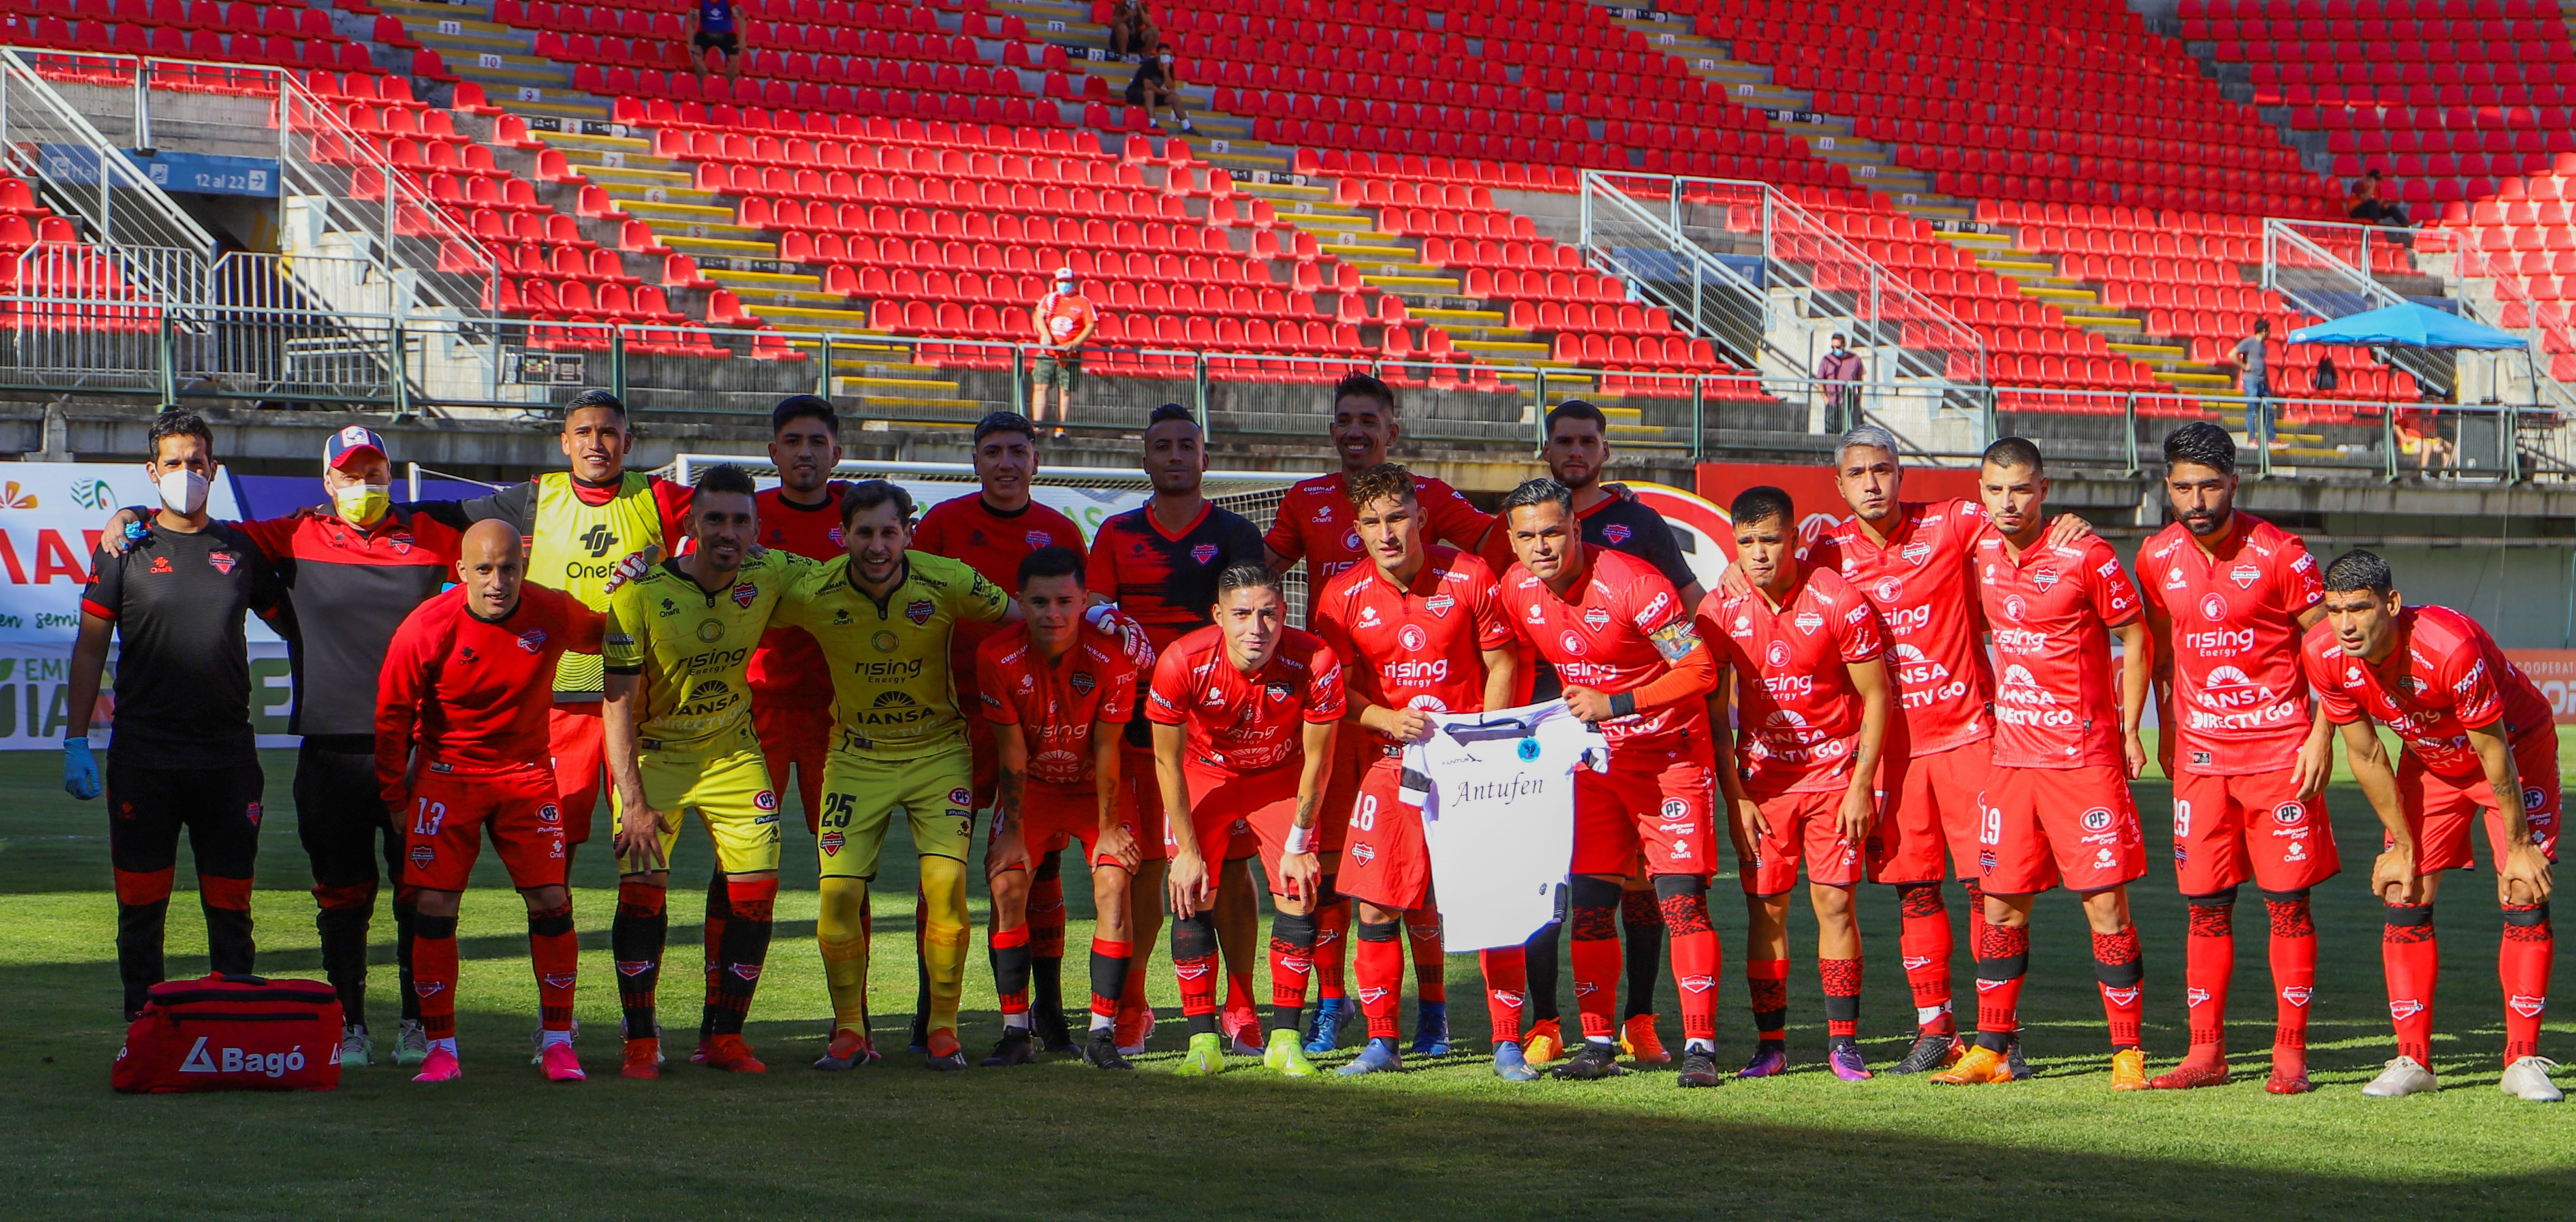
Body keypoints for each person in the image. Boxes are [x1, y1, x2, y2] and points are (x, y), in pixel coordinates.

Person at [92, 424, 474, 1068]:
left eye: (374, 472)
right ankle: (350, 1023)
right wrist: (130, 512)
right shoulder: (288, 533)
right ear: (327, 482)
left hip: (416, 747)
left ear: (391, 474)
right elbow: (197, 534)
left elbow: (508, 539)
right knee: (341, 895)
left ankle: (420, 1022)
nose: (363, 484)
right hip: (329, 748)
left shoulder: (434, 529)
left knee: (422, 892)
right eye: (350, 474)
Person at [1790, 425, 2087, 1078]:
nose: (1872, 483)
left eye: (1883, 469)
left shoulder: (1951, 522)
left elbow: (2018, 519)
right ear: (1838, 484)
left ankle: (2000, 1033)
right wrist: (1734, 568)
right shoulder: (1824, 550)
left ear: (1901, 473)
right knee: (1915, 892)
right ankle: (1936, 1029)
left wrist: (2065, 523)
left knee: (1991, 889)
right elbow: (1771, 579)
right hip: (1890, 752)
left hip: (1970, 738)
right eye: (1858, 473)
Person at [1264, 373, 1495, 1056]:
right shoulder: (1305, 499)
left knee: (1419, 877)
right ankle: (1334, 1003)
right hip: (1346, 715)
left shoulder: (1429, 497)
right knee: (1341, 868)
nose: (1355, 430)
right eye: (1345, 419)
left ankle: (1433, 1012)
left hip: (1425, 719)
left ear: (1393, 430)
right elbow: (1263, 575)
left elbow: (1501, 544)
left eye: (1369, 419)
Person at [1480, 398, 1703, 1069]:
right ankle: (1596, 1040)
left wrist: (1618, 701)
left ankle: (1696, 1045)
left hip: (1665, 756)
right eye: (1528, 537)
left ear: (1576, 526)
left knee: (1679, 902)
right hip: (1590, 760)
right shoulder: (1518, 587)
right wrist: (1507, 734)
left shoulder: (1637, 578)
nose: (1542, 546)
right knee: (1587, 903)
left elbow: (1698, 665)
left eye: (1553, 532)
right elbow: (1514, 659)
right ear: (1512, 540)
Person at [1934, 437, 2155, 1089]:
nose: (2009, 501)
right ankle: (1992, 1050)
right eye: (1996, 489)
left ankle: (2127, 1051)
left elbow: (2136, 633)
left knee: (2106, 907)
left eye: (2022, 489)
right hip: (2012, 761)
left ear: (2044, 490)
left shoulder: (2085, 553)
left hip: (2083, 761)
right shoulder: (1979, 550)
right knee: (2000, 908)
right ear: (1980, 491)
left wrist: (2130, 728)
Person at [2301, 550, 2561, 1101]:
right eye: (2335, 610)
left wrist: (2519, 844)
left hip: (2515, 750)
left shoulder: (2449, 647)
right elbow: (2366, 754)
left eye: (2360, 608)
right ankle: (2413, 1059)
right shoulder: (2322, 651)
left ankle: (2522, 1059)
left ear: (2392, 603)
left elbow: (2493, 752)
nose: (2346, 624)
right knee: (2405, 887)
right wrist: (2402, 845)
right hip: (2432, 759)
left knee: (2522, 886)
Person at [776, 480, 1017, 1071]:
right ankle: (849, 1033)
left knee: (946, 888)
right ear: (844, 536)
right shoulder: (814, 589)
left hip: (939, 755)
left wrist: (1094, 623)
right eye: (864, 533)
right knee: (838, 895)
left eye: (889, 532)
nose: (877, 545)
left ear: (909, 532)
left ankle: (943, 1031)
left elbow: (1025, 620)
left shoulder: (948, 579)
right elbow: (737, 606)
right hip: (856, 758)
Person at [65, 411, 289, 1021]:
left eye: (197, 462)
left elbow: (298, 627)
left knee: (232, 909)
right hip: (145, 758)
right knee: (141, 910)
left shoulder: (240, 548)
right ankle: (144, 1033)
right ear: (152, 470)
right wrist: (75, 740)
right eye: (174, 463)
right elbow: (89, 648)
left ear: (214, 470)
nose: (186, 472)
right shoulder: (123, 547)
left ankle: (231, 1033)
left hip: (227, 759)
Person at [2134, 422, 2334, 1094]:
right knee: (2205, 909)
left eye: (2210, 486)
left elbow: (2330, 650)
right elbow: (2161, 651)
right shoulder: (2156, 556)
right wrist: (2165, 730)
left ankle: (2289, 1054)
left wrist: (2322, 735)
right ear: (2167, 486)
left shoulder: (2282, 553)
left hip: (2280, 757)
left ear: (2235, 483)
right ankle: (2206, 1052)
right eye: (2183, 487)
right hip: (2201, 763)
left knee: (2288, 908)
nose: (2196, 501)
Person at [374, 521, 606, 1083]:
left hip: (526, 774)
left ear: (523, 570)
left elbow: (608, 633)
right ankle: (441, 1048)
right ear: (461, 572)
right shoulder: (426, 625)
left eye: (508, 568)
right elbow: (391, 716)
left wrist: (641, 592)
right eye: (484, 569)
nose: (497, 581)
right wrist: (395, 797)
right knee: (434, 905)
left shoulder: (552, 610)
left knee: (552, 897)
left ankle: (558, 1042)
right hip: (447, 776)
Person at [1308, 464, 1519, 1077]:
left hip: (1469, 765)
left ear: (1421, 517)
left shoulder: (1470, 574)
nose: (1387, 532)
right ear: (1357, 529)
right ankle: (1383, 1043)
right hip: (1391, 764)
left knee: (1489, 901)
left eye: (1398, 517)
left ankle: (1507, 1042)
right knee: (1376, 906)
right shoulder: (1341, 595)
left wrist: (1485, 740)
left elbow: (1502, 662)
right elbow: (1335, 689)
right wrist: (1384, 717)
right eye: (1372, 522)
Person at [600, 464, 806, 1078]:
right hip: (655, 755)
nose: (728, 532)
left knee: (756, 893)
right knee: (642, 890)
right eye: (715, 519)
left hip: (732, 752)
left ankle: (725, 1037)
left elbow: (851, 577)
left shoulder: (770, 572)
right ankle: (641, 1042)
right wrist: (634, 802)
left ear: (757, 529)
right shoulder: (637, 593)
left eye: (741, 521)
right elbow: (616, 704)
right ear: (691, 523)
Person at [446, 391, 695, 876]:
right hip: (561, 701)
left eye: (608, 433)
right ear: (565, 442)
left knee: (645, 839)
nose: (595, 443)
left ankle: (640, 927)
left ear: (628, 441)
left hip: (641, 701)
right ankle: (554, 920)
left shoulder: (660, 497)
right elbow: (446, 518)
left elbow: (732, 521)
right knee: (555, 842)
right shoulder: (535, 498)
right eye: (583, 432)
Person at [1087, 402, 1269, 1053]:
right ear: (1145, 459)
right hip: (1140, 729)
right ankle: (1134, 1005)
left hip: (1219, 730)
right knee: (1146, 869)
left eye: (1185, 445)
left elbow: (1252, 616)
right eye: (1161, 446)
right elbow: (1095, 606)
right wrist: (1111, 623)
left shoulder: (1236, 532)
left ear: (1204, 458)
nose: (1173, 456)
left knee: (1232, 870)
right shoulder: (1117, 532)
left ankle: (1241, 1005)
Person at [913, 410, 1090, 1054]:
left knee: (1038, 868)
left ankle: (1047, 1009)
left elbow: (1076, 623)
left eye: (1018, 451)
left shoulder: (1059, 530)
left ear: (1035, 459)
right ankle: (931, 1011)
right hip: (953, 720)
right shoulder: (943, 524)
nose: (1007, 463)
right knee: (944, 868)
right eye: (993, 451)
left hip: (1035, 725)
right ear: (975, 460)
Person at [1701, 485, 1892, 1082]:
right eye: (1747, 542)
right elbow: (1715, 717)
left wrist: (1861, 784)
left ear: (1794, 538)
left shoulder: (1837, 597)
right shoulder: (1720, 607)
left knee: (1835, 903)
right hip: (1764, 786)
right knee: (1767, 910)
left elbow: (1877, 695)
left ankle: (1844, 1044)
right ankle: (1771, 1046)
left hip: (1834, 778)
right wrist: (1735, 797)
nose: (1759, 553)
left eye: (1771, 540)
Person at [1145, 563, 1345, 1077]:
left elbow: (1319, 761)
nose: (1256, 628)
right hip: (1205, 776)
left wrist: (1299, 844)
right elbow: (1167, 761)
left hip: (1278, 779)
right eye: (1241, 614)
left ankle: (1285, 1040)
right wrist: (1187, 852)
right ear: (1218, 615)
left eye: (1268, 614)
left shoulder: (1317, 660)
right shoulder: (1182, 660)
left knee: (1299, 888)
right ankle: (1202, 1043)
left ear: (1285, 613)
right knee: (1191, 890)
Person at [975, 546, 1151, 1070]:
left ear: (1084, 601)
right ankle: (1016, 1032)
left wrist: (1110, 828)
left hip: (1095, 787)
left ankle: (1101, 1034)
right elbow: (1011, 751)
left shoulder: (1112, 657)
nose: (1053, 613)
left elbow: (1107, 748)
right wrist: (1012, 832)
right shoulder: (996, 655)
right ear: (1020, 601)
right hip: (1034, 788)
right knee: (1008, 884)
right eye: (1040, 602)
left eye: (1065, 601)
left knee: (1114, 885)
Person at [1029, 270, 1097, 427]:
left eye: (1067, 281)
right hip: (1048, 352)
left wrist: (1075, 343)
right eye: (1061, 281)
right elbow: (1039, 317)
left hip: (1070, 354)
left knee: (1065, 390)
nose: (1064, 285)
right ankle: (1037, 425)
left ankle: (1062, 427)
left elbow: (1091, 324)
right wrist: (1046, 335)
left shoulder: (1083, 302)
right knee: (1041, 386)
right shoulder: (1050, 299)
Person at [1124, 44, 1196, 135]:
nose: (1166, 57)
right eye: (1164, 54)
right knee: (1150, 93)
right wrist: (1162, 92)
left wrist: (1166, 71)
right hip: (1136, 93)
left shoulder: (1170, 66)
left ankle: (1187, 126)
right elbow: (1148, 85)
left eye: (1168, 54)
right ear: (1158, 54)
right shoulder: (1149, 64)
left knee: (1175, 97)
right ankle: (1153, 123)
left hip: (1154, 94)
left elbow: (1171, 87)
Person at [2233, 320, 2277, 452]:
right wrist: (2244, 366)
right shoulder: (2249, 342)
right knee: (2252, 410)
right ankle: (2252, 438)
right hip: (2251, 380)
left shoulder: (2263, 345)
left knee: (2269, 408)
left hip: (2262, 381)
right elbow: (2232, 354)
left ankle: (2272, 439)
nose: (2270, 333)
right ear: (2264, 330)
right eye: (2268, 330)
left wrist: (2268, 384)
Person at [682, 0, 743, 84]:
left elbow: (741, 18)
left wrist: (742, 41)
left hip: (727, 33)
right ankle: (707, 83)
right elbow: (691, 22)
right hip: (705, 32)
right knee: (697, 56)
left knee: (735, 58)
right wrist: (691, 45)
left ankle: (725, 85)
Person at [1816, 333, 1865, 435]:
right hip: (1833, 402)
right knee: (1832, 433)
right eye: (1833, 347)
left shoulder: (1855, 359)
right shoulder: (1827, 360)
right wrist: (1825, 399)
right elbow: (1820, 381)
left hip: (1851, 401)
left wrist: (1859, 395)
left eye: (1838, 347)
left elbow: (1860, 379)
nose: (1835, 350)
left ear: (1844, 345)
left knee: (1857, 431)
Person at [2346, 168, 2411, 229]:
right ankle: (2376, 227)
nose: (2377, 182)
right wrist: (2372, 184)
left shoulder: (2377, 189)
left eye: (2377, 180)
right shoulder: (2360, 184)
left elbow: (2376, 203)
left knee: (2392, 208)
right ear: (2369, 178)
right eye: (2375, 180)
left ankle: (2408, 226)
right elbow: (2366, 198)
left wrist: (2383, 205)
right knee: (2372, 202)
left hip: (2370, 211)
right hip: (2356, 211)